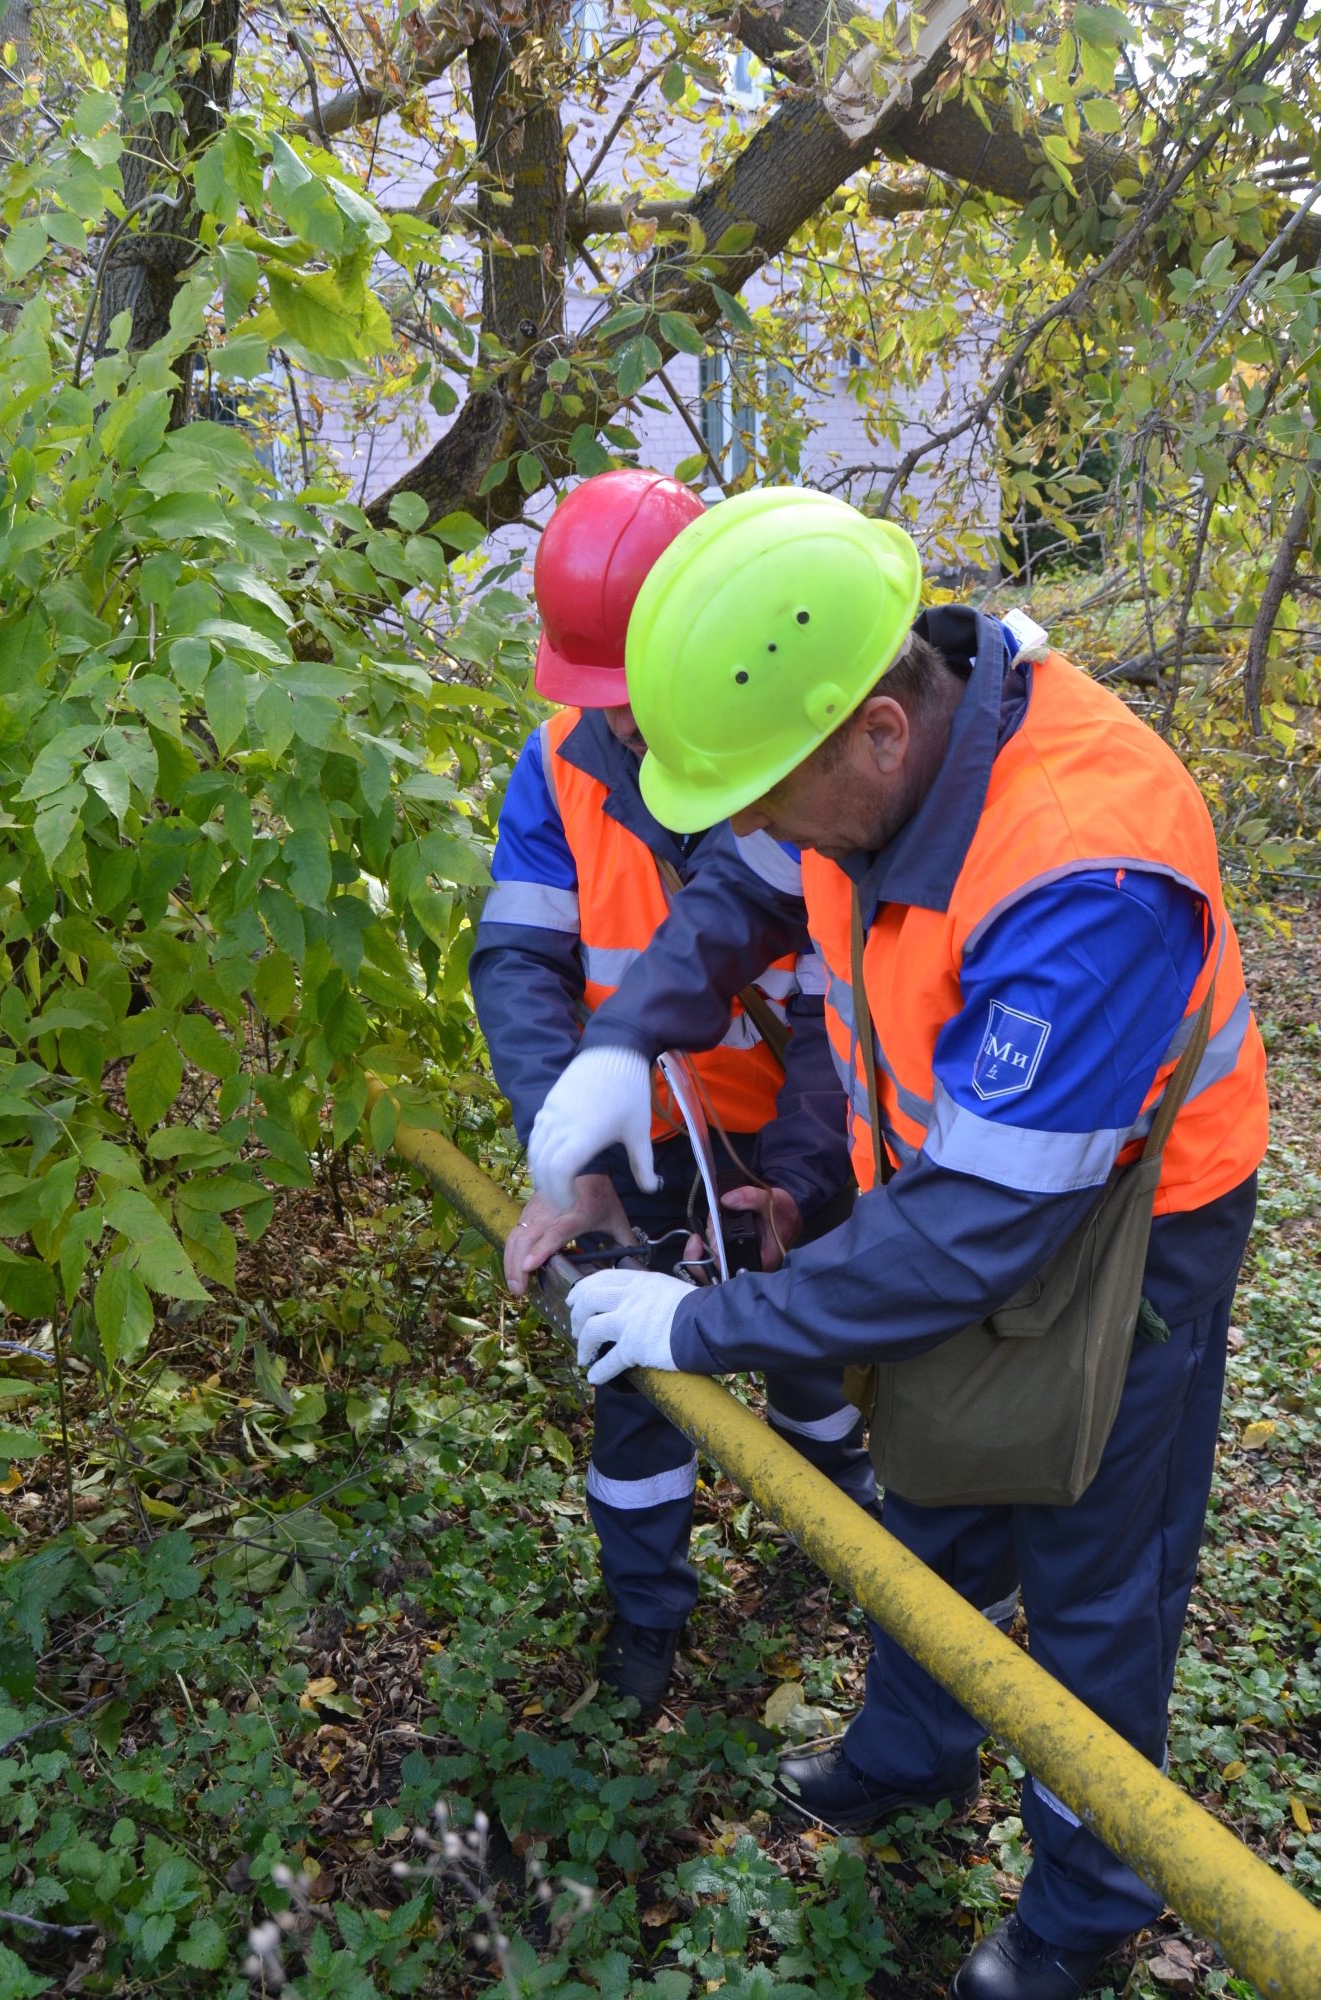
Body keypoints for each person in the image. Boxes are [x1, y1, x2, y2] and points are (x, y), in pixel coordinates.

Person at [531, 487, 1269, 2000]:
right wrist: (626, 1043)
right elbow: (748, 890)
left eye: (759, 789)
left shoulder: (1085, 871)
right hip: (952, 1187)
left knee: (1090, 1577)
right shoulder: (879, 766)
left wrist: (703, 1329)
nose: (743, 826)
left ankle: (1083, 1908)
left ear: (876, 730)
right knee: (932, 1480)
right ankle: (910, 1753)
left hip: (1133, 1232)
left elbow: (976, 1239)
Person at [468, 470, 875, 1723]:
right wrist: (568, 1159)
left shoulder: (809, 760)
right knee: (633, 1391)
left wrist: (800, 1180)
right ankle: (647, 1623)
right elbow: (521, 965)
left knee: (807, 1345)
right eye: (609, 698)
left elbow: (837, 1008)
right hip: (632, 1140)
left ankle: (843, 1556)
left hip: (785, 1125)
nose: (631, 728)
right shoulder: (556, 763)